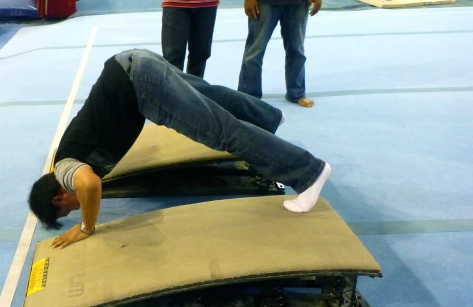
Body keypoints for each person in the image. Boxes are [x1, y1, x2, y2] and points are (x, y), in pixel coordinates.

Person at [28, 49, 332, 250]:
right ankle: (268, 117)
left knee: (223, 133)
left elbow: (89, 184)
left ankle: (308, 173)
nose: (75, 207)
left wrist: (86, 227)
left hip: (141, 85)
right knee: (212, 96)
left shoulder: (65, 171)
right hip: (134, 61)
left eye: (67, 208)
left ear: (58, 196)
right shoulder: (67, 152)